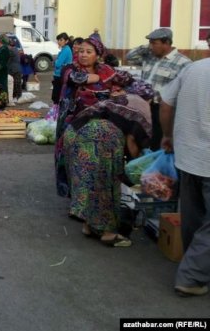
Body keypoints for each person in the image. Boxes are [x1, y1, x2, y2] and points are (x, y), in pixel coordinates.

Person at [55, 36, 153, 247]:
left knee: (89, 180)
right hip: (82, 130)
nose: (82, 55)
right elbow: (80, 78)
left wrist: (113, 82)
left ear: (98, 55)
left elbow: (140, 86)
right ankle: (107, 231)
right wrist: (107, 82)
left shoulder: (111, 80)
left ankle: (88, 224)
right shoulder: (70, 70)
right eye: (80, 51)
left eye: (88, 51)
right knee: (103, 181)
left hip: (84, 128)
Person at [159, 55, 209, 297]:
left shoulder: (191, 69)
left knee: (194, 216)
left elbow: (166, 103)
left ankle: (195, 265)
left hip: (188, 156)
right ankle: (191, 276)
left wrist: (167, 135)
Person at [125, 27, 192, 150]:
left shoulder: (183, 63)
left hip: (161, 110)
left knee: (156, 143)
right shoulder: (149, 56)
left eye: (154, 43)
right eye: (150, 43)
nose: (151, 47)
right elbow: (129, 57)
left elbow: (185, 91)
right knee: (134, 139)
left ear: (166, 43)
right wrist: (147, 46)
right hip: (142, 107)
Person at [52, 32, 72, 102]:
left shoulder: (66, 50)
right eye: (58, 40)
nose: (59, 42)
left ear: (66, 41)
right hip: (60, 74)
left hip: (60, 75)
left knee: (56, 97)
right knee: (57, 96)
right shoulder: (65, 49)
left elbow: (57, 64)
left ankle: (56, 112)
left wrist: (56, 61)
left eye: (61, 40)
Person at [7, 38, 22, 104]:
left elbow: (7, 59)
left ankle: (17, 96)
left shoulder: (12, 51)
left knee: (16, 83)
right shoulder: (15, 49)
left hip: (15, 70)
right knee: (17, 83)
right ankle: (17, 96)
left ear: (10, 45)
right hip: (15, 69)